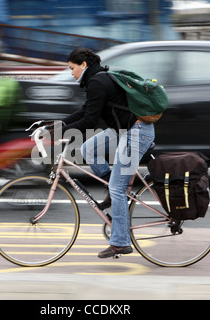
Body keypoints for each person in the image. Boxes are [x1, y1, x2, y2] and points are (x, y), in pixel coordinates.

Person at [60, 47, 155, 258]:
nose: (71, 73)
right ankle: (113, 189)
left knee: (118, 188)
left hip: (136, 133)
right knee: (88, 149)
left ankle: (121, 242)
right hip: (123, 130)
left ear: (83, 64)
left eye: (72, 68)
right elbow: (85, 111)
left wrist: (60, 131)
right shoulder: (96, 80)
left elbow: (90, 120)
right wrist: (57, 124)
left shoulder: (97, 81)